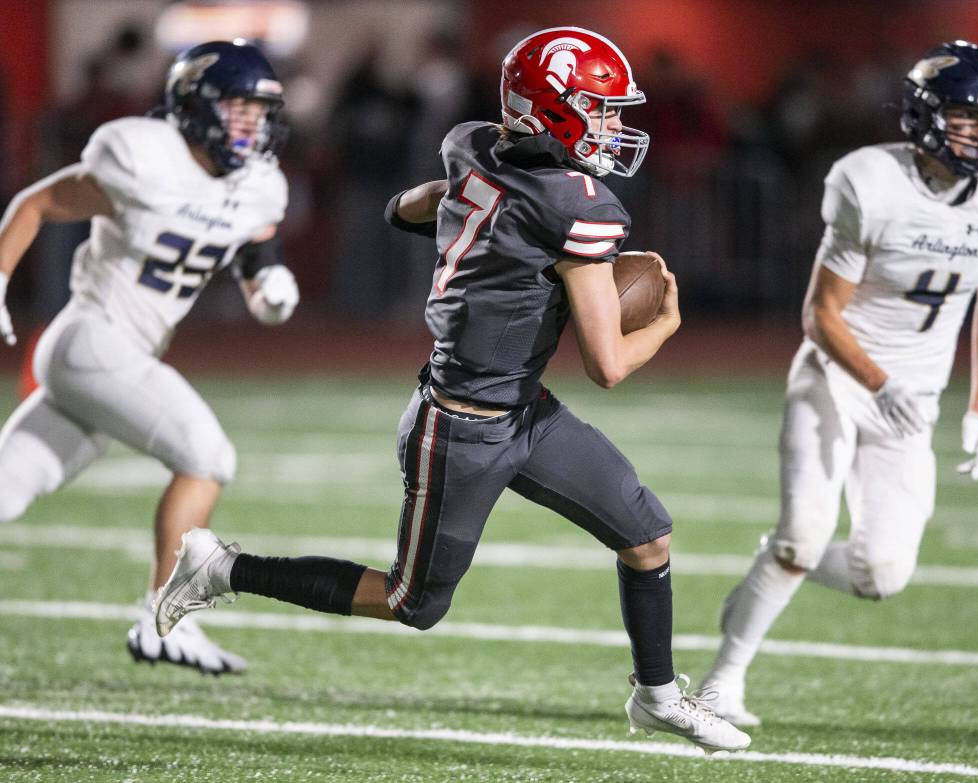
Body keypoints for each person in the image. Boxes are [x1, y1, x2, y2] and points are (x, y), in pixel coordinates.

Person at [153, 27, 751, 753]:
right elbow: (609, 365)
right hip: (460, 426)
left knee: (647, 533)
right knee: (413, 602)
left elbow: (407, 205)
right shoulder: (577, 206)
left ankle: (657, 697)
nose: (615, 127)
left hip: (523, 410)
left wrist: (469, 219)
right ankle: (220, 567)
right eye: (600, 110)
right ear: (552, 110)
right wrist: (667, 320)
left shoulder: (477, 142)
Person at [700, 40, 978, 726]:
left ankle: (775, 561)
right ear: (926, 114)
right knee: (805, 532)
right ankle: (723, 680)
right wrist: (880, 381)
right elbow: (820, 314)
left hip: (915, 402)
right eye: (965, 117)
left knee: (884, 573)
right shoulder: (869, 180)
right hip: (839, 377)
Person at [0, 40, 298, 674]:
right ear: (196, 106)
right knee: (207, 455)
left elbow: (254, 245)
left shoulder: (258, 186)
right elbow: (38, 204)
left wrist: (264, 288)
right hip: (92, 339)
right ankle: (164, 618)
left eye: (261, 112)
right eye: (240, 109)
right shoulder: (144, 157)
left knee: (6, 492)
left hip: (118, 355)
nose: (253, 125)